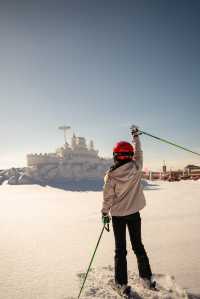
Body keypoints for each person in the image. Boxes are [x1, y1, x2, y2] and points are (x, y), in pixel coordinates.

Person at [101, 126, 155, 294]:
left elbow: (108, 198)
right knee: (138, 246)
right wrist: (136, 137)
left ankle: (121, 284)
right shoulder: (136, 167)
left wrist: (104, 213)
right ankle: (146, 279)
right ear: (130, 155)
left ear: (115, 155)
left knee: (120, 250)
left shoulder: (110, 176)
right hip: (134, 214)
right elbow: (139, 153)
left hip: (118, 216)